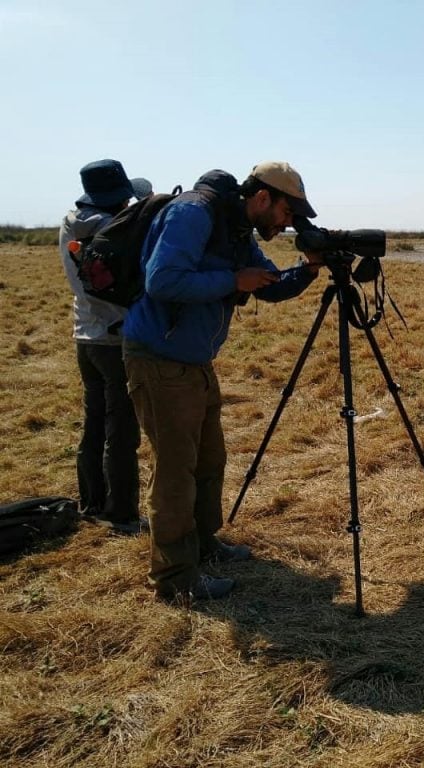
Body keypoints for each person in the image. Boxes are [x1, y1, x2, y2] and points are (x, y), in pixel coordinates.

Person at [122, 162, 323, 603]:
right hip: (159, 359)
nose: (289, 223)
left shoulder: (237, 231)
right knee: (176, 471)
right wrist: (233, 280)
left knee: (210, 460)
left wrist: (308, 270)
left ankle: (204, 545)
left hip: (194, 362)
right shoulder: (194, 214)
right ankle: (175, 578)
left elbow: (268, 286)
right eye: (288, 212)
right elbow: (161, 280)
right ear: (264, 197)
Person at [59, 159, 146, 535]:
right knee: (121, 428)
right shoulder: (114, 228)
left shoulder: (70, 222)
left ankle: (92, 501)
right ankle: (121, 513)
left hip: (85, 335)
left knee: (94, 422)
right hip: (114, 339)